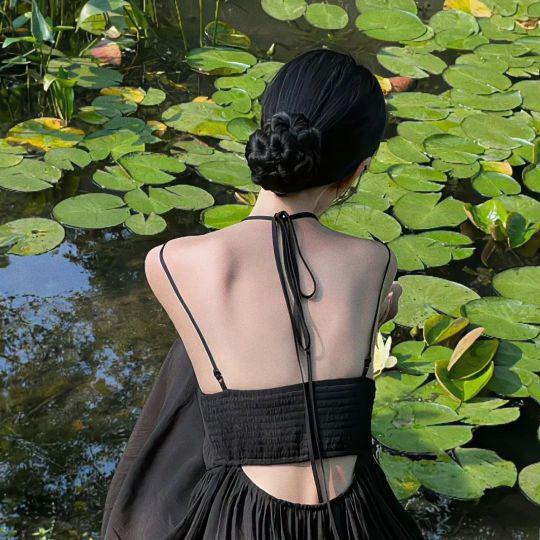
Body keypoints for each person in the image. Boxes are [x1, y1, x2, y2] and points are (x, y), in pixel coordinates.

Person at [101, 48, 423, 539]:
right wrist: (371, 317)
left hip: (242, 520)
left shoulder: (170, 262)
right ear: (359, 169)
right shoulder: (375, 263)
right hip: (357, 519)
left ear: (269, 131)